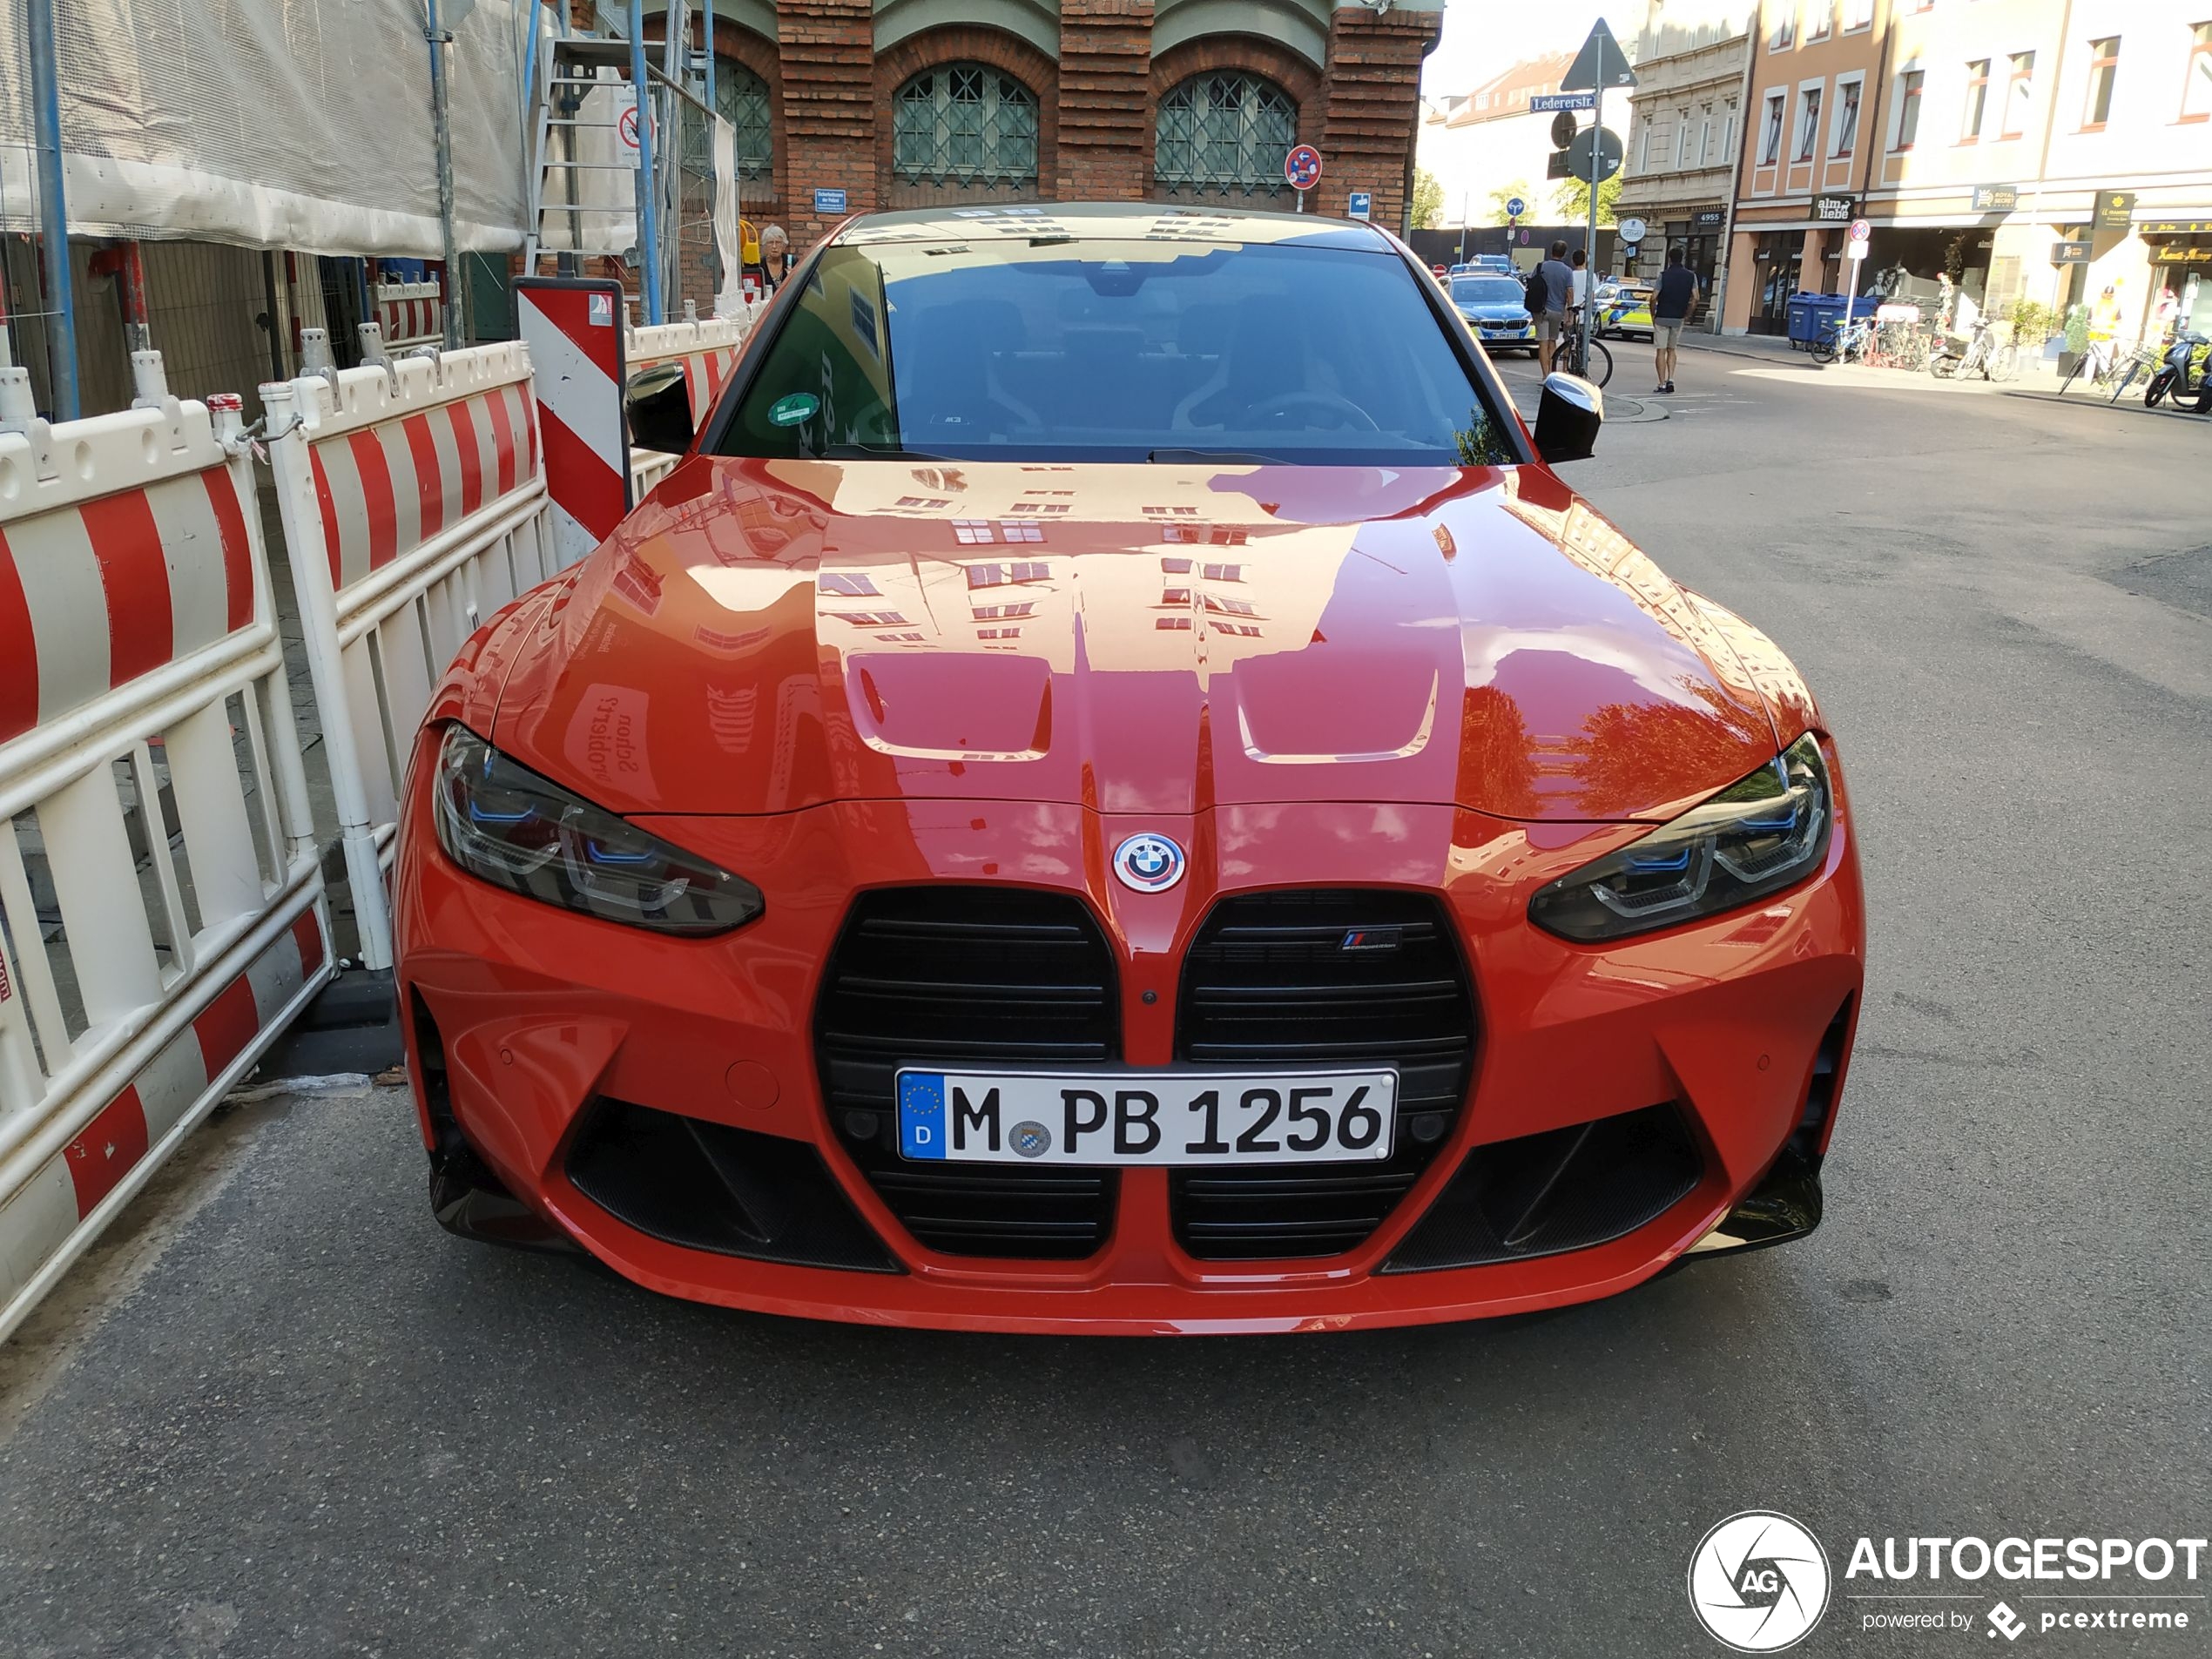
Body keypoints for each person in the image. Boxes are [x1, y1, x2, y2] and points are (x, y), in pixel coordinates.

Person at [1650, 246, 1699, 395]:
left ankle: (1661, 383)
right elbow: (1696, 298)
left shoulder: (1663, 276)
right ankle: (1671, 379)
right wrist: (1688, 313)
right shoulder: (1691, 276)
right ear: (1682, 258)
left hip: (1662, 316)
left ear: (1669, 259)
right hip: (1678, 317)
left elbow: (1653, 297)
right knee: (1672, 350)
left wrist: (1653, 313)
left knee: (1661, 351)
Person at [1534, 239, 1575, 374]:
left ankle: (1545, 375)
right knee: (1552, 342)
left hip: (1541, 310)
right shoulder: (1567, 271)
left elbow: (1531, 285)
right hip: (1557, 311)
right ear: (1564, 254)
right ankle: (1552, 373)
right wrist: (1570, 314)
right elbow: (1569, 293)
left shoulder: (1541, 267)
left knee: (1543, 343)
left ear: (1551, 251)